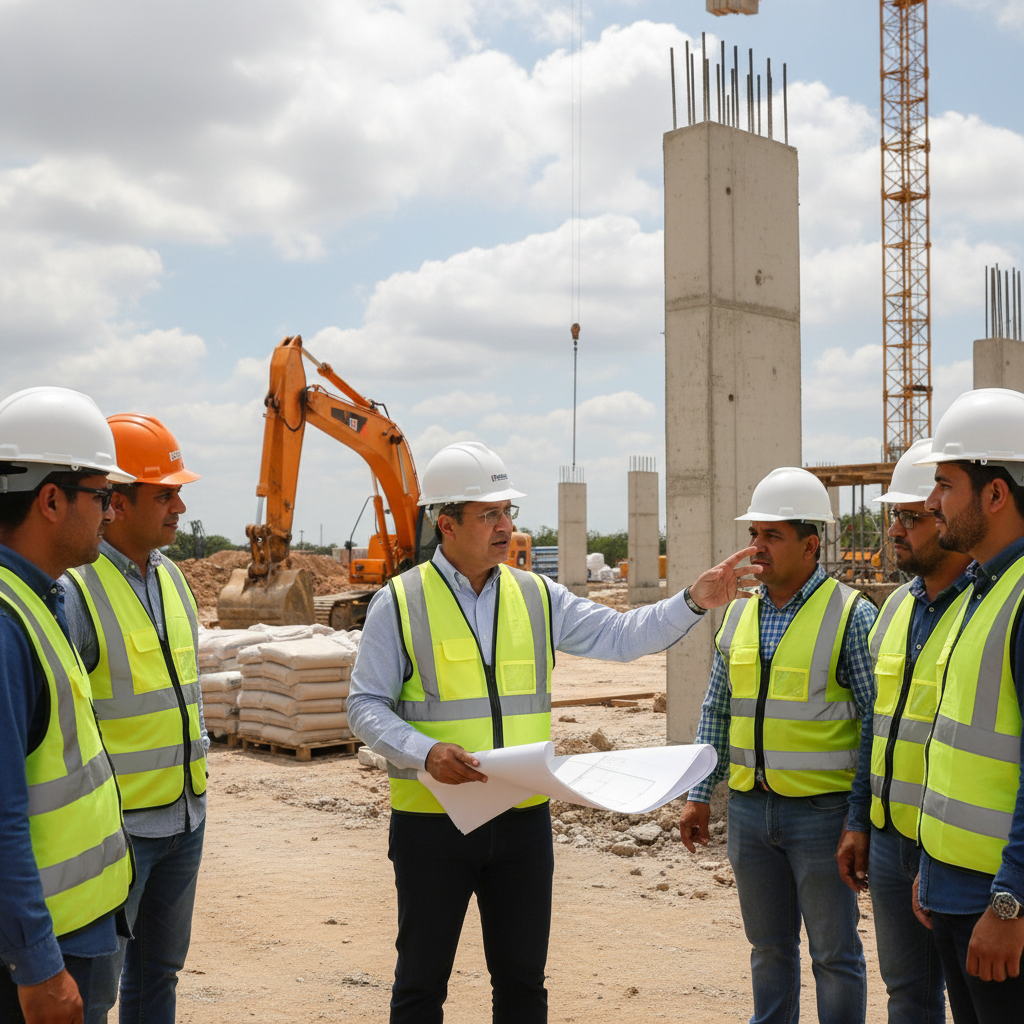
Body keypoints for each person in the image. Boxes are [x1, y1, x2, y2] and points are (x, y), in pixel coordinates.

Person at [347, 440, 761, 1024]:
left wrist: (693, 601)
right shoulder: (400, 601)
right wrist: (424, 752)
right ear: (447, 524)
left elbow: (622, 636)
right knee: (420, 985)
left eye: (507, 512)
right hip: (432, 826)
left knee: (522, 987)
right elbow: (365, 706)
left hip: (521, 825)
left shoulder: (536, 595)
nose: (506, 525)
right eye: (490, 514)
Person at [678, 466, 879, 1024]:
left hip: (822, 814)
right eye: (753, 535)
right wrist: (699, 792)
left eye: (772, 536)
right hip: (748, 810)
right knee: (768, 950)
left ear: (810, 545)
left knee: (834, 954)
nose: (756, 548)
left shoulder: (851, 614)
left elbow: (875, 725)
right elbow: (717, 708)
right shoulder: (738, 611)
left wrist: (859, 818)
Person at [60, 413, 207, 1024]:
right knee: (95, 995)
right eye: (163, 493)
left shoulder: (174, 579)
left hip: (185, 818)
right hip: (117, 836)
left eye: (178, 491)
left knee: (159, 977)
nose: (178, 505)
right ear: (114, 502)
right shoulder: (75, 591)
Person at [0, 386, 135, 1024]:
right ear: (51, 499)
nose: (112, 513)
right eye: (103, 497)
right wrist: (37, 964)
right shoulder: (6, 623)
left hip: (73, 930)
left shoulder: (42, 600)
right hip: (39, 955)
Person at [836, 438, 971, 1023]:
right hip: (891, 841)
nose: (896, 529)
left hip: (955, 845)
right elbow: (877, 725)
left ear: (945, 517)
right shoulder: (893, 609)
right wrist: (858, 820)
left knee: (974, 1000)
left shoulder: (984, 608)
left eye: (911, 517)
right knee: (907, 994)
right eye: (894, 515)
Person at [910, 388, 1024, 1022]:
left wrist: (1010, 904)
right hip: (956, 892)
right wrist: (932, 868)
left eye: (945, 485)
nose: (931, 503)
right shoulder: (982, 589)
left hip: (1000, 908)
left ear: (996, 494)